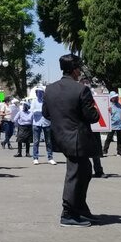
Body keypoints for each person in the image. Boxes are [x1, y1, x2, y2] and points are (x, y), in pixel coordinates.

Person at [43, 54, 101, 227]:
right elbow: (92, 117)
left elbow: (46, 113)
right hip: (77, 138)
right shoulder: (81, 89)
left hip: (60, 136)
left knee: (84, 171)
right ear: (75, 70)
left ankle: (80, 209)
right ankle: (68, 213)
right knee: (75, 174)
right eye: (79, 69)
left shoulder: (50, 89)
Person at [31, 86, 56, 165]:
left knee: (48, 141)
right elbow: (32, 111)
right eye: (38, 92)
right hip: (37, 123)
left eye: (41, 92)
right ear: (36, 93)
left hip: (46, 123)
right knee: (36, 141)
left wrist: (41, 112)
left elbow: (50, 111)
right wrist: (42, 111)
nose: (39, 94)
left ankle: (50, 157)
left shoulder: (47, 101)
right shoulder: (34, 101)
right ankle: (35, 158)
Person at [103, 92, 121, 157]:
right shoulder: (109, 105)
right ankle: (104, 151)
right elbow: (106, 114)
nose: (116, 98)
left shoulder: (119, 105)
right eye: (115, 97)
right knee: (109, 138)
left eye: (117, 97)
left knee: (120, 139)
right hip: (112, 124)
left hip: (120, 124)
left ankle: (119, 151)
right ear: (111, 98)